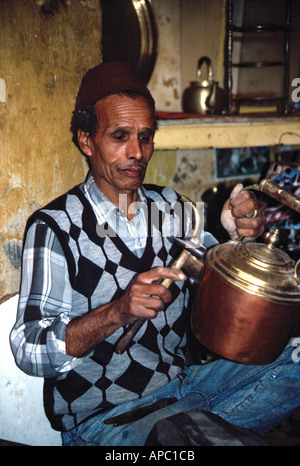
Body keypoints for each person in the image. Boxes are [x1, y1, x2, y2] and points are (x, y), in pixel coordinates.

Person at [10, 62, 299, 447]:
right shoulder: (56, 227)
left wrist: (235, 237)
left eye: (145, 137)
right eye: (120, 136)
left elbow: (218, 288)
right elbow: (29, 348)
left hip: (185, 393)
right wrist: (117, 312)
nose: (136, 153)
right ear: (86, 140)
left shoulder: (174, 209)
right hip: (107, 422)